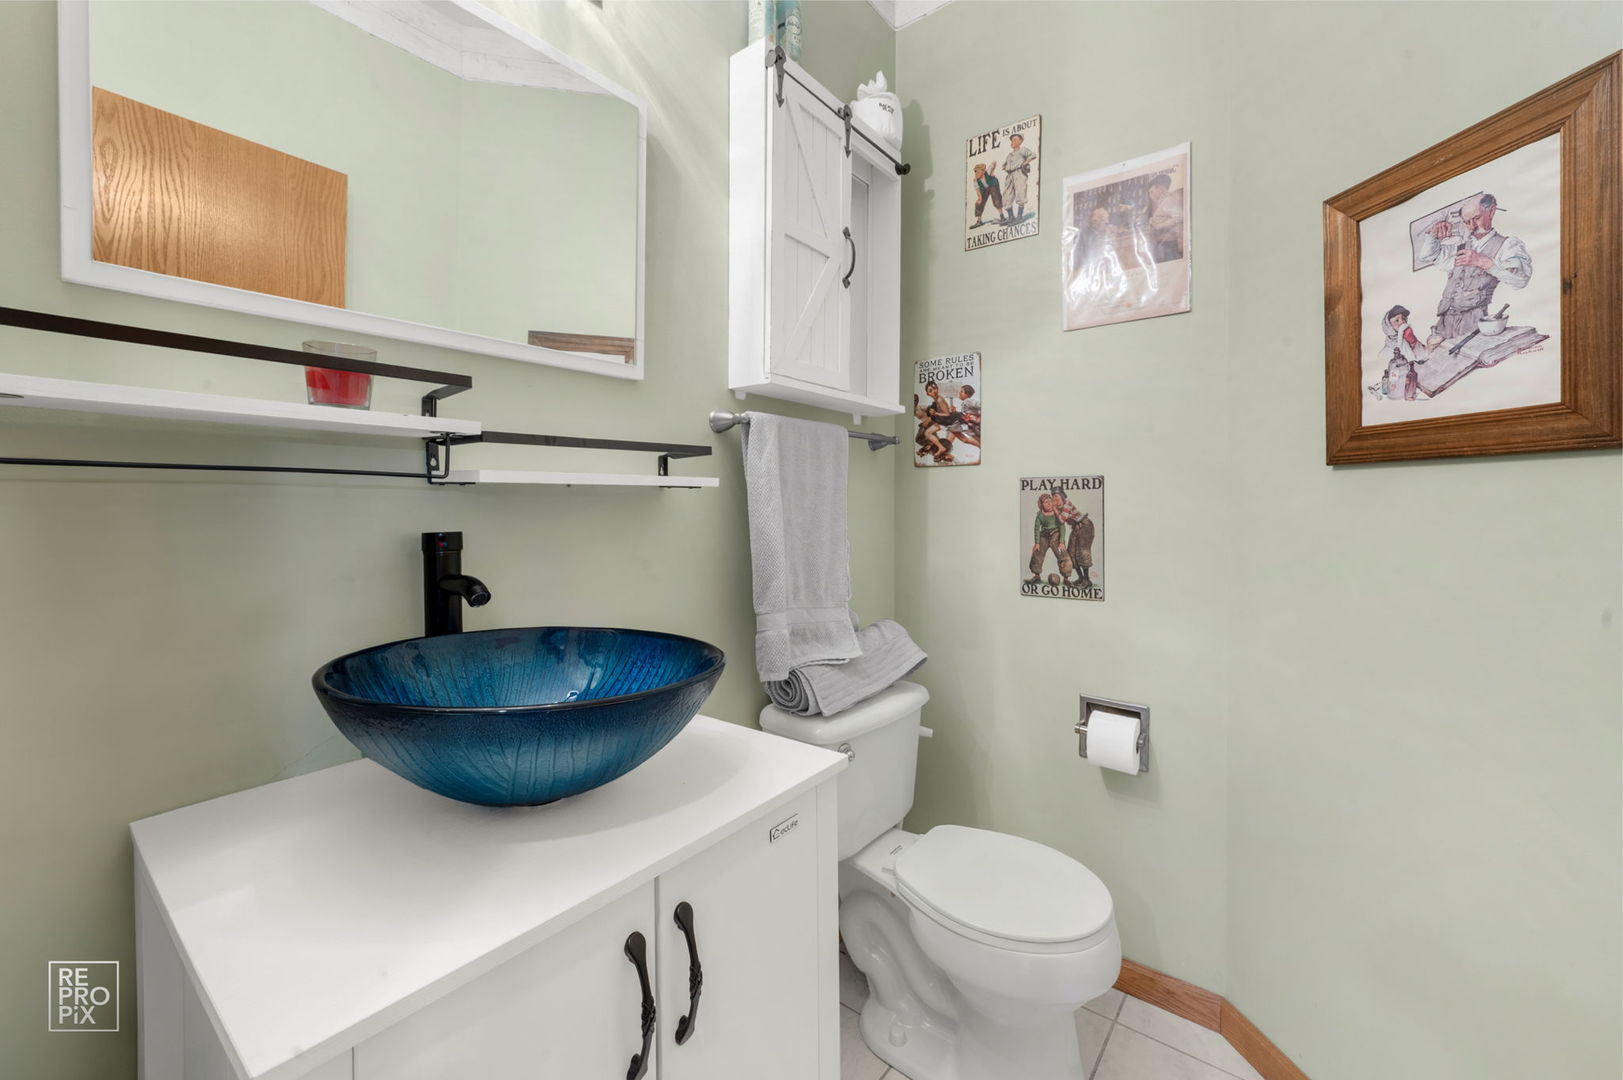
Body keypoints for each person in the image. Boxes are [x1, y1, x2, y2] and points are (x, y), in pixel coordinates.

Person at [1418, 193, 1531, 343]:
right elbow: (1427, 256)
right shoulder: (1460, 245)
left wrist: (1483, 262)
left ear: (1491, 212)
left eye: (1476, 218)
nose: (1471, 226)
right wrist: (1432, 235)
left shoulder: (1507, 245)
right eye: (1466, 222)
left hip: (1473, 324)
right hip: (1444, 324)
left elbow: (1520, 280)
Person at [1373, 304, 1427, 400]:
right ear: (1388, 326)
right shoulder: (1387, 350)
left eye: (1404, 319)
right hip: (1397, 391)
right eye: (1397, 320)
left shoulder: (1409, 340)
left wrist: (1413, 341)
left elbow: (1423, 356)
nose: (1402, 322)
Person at [1027, 491, 1074, 585]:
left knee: (1063, 554)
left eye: (1050, 501)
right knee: (1037, 553)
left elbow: (1062, 527)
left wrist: (1061, 542)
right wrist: (1037, 543)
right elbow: (1036, 529)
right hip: (1044, 535)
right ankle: (1036, 576)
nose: (1049, 503)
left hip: (1056, 535)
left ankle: (1066, 578)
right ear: (1041, 505)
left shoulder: (1057, 513)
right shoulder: (1040, 516)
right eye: (1046, 502)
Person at [1054, 491, 1095, 588]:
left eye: (1056, 496)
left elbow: (1061, 520)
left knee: (1082, 552)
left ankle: (1087, 580)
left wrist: (1055, 509)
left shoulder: (1067, 504)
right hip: (1075, 528)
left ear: (1062, 496)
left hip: (1085, 526)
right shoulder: (1058, 508)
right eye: (1053, 497)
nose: (1055, 499)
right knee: (1071, 553)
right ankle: (1081, 578)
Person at [1144, 173, 1184, 263]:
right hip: (1163, 242)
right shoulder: (1163, 202)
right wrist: (1152, 221)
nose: (1151, 195)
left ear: (1160, 188)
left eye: (1152, 191)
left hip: (1168, 243)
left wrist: (1160, 226)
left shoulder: (1169, 201)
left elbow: (1179, 217)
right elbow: (1163, 216)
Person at [1000, 133, 1036, 224]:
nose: (1012, 142)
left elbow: (1033, 155)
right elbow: (1004, 165)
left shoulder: (1023, 150)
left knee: (1020, 193)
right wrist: (1007, 169)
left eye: (1015, 140)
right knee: (1007, 195)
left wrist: (1025, 162)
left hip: (1019, 173)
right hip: (1010, 175)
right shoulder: (1009, 155)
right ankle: (1011, 217)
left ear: (1020, 141)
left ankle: (1019, 217)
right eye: (1012, 140)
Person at [970, 162, 1003, 229]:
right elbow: (977, 190)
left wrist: (992, 172)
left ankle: (1002, 217)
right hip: (984, 189)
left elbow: (994, 163)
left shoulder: (987, 172)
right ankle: (979, 221)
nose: (976, 174)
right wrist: (980, 198)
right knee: (979, 202)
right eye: (975, 172)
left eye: (978, 172)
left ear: (983, 171)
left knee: (996, 199)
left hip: (993, 185)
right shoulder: (975, 180)